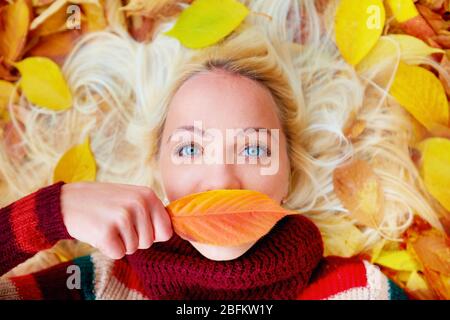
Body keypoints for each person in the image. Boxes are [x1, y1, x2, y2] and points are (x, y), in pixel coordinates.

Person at [0, 0, 438, 299]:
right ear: (157, 168)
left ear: (290, 171)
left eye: (252, 150)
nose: (221, 180)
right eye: (190, 149)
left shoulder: (358, 290)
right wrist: (51, 211)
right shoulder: (98, 283)